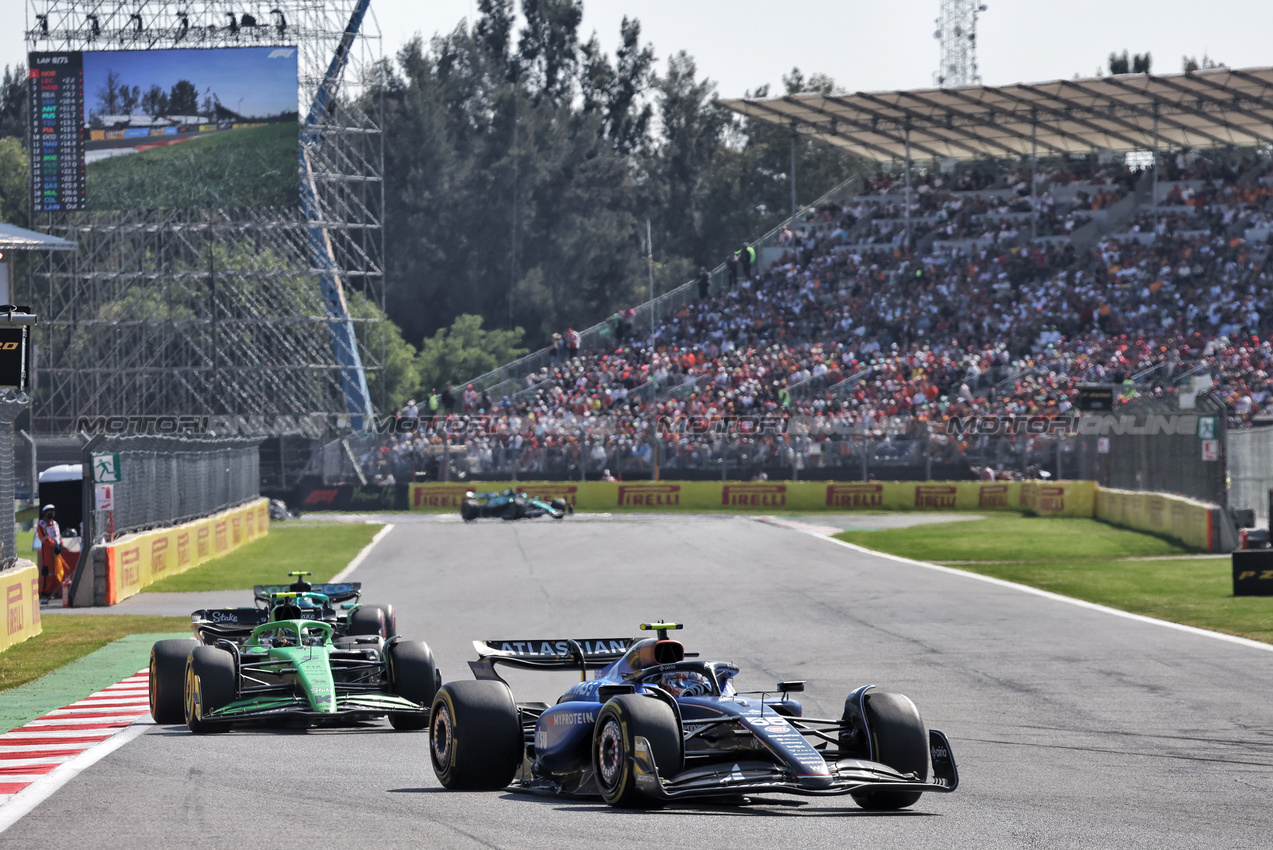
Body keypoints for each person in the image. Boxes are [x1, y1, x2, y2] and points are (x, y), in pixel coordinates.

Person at [36, 505, 69, 600]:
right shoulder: (41, 524)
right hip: (47, 552)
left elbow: (58, 536)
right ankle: (44, 592)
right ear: (45, 513)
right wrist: (54, 545)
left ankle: (56, 591)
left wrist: (60, 545)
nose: (52, 513)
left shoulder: (55, 524)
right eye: (49, 511)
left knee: (57, 571)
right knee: (47, 572)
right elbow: (44, 538)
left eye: (53, 511)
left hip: (57, 551)